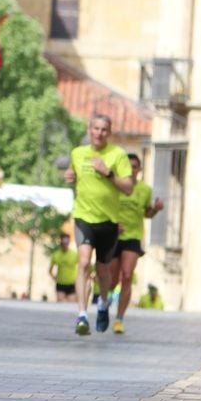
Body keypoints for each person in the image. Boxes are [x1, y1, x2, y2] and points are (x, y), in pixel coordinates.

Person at [64, 114, 133, 336]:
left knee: (104, 270)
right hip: (84, 216)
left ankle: (103, 303)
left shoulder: (117, 155)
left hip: (109, 221)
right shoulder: (77, 153)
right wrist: (70, 176)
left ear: (109, 133)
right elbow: (73, 174)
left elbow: (128, 188)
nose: (99, 133)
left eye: (104, 129)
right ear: (89, 129)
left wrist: (108, 173)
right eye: (95, 128)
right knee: (83, 263)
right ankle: (82, 315)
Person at [108, 153, 163, 333]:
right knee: (112, 280)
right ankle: (104, 302)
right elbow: (103, 209)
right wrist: (112, 225)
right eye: (128, 166)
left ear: (139, 170)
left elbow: (147, 213)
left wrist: (155, 209)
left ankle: (119, 319)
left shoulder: (144, 190)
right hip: (113, 237)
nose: (131, 170)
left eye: (135, 166)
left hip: (133, 236)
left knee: (127, 276)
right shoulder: (115, 186)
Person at [48, 233, 78, 303]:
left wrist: (78, 280)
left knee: (71, 303)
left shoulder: (74, 255)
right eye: (63, 243)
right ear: (61, 242)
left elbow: (81, 268)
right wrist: (54, 278)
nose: (65, 245)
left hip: (72, 283)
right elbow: (50, 270)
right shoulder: (56, 255)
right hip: (60, 283)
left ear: (69, 243)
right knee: (61, 303)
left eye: (67, 243)